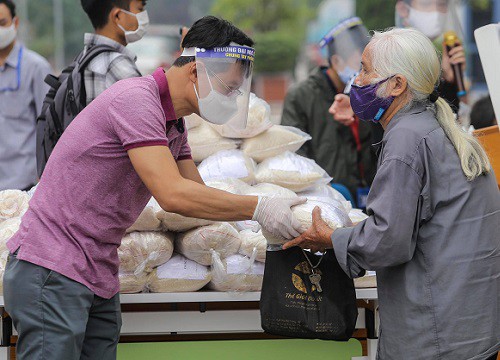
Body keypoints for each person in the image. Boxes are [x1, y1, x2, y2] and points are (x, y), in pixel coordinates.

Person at [3, 16, 304, 360]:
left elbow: (196, 194)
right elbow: (173, 195)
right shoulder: (136, 100)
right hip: (53, 267)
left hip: (97, 268)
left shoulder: (173, 121)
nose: (233, 100)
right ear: (195, 72)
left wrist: (262, 220)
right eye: (228, 89)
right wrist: (258, 207)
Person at [284, 28, 500, 360]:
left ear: (397, 85)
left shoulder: (406, 139)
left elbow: (388, 240)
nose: (356, 79)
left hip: (436, 338)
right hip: (470, 329)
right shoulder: (431, 124)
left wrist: (332, 238)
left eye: (366, 69)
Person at [331, 0, 467, 137]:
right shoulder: (381, 52)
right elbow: (362, 84)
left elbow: (446, 124)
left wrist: (450, 83)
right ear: (403, 9)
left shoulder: (441, 63)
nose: (436, 13)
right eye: (427, 5)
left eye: (442, 5)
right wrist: (356, 103)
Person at [281, 17, 377, 204]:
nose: (365, 71)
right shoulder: (301, 96)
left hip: (371, 194)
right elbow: (293, 153)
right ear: (336, 61)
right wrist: (323, 190)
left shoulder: (369, 92)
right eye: (361, 64)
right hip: (328, 199)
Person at [0, 0, 52, 191]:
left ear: (16, 22)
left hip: (25, 184)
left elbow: (50, 127)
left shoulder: (36, 68)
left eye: (2, 22)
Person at [80, 0, 146, 105]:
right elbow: (147, 115)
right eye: (140, 9)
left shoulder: (84, 56)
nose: (144, 15)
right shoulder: (118, 66)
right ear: (118, 16)